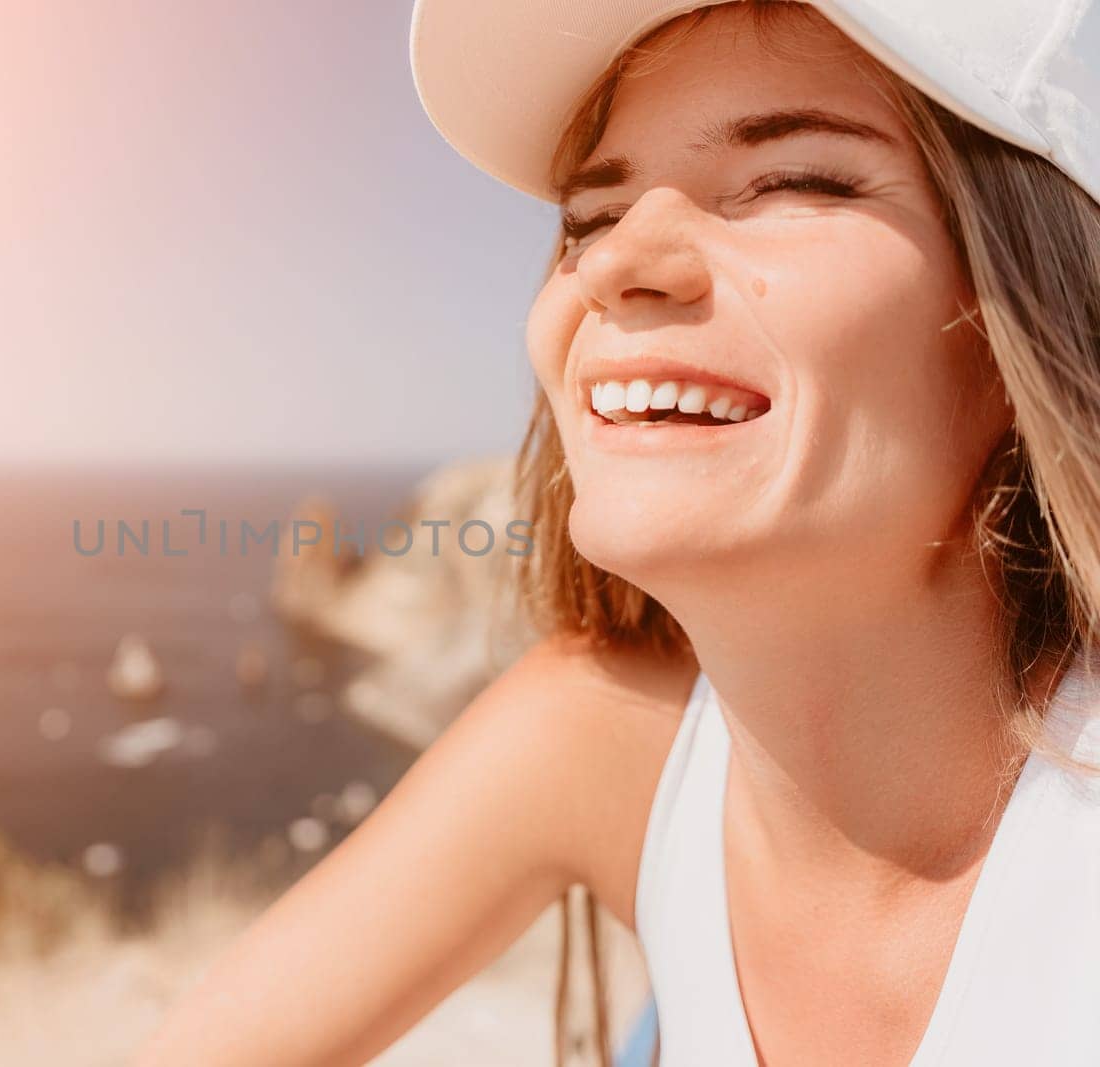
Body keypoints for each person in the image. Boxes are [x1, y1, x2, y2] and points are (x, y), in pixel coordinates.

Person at [134, 1, 1100, 1063]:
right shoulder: (592, 736)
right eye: (589, 219)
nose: (613, 263)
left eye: (791, 182)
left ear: (1041, 298)